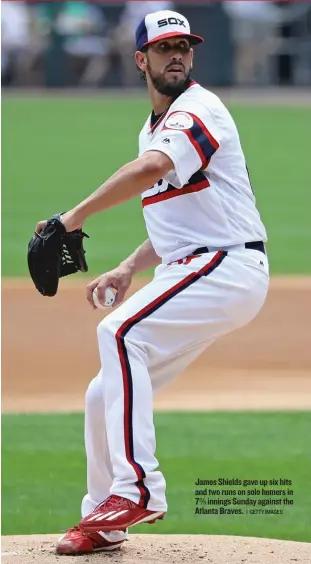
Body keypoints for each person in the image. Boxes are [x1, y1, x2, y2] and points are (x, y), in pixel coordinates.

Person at [35, 9, 269, 556]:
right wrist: (128, 266)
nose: (178, 55)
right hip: (200, 266)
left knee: (120, 334)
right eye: (165, 48)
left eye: (184, 46)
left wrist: (70, 220)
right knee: (101, 395)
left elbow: (148, 170)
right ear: (142, 60)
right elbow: (179, 223)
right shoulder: (153, 127)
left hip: (227, 267)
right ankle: (103, 519)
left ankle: (137, 489)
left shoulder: (199, 108)